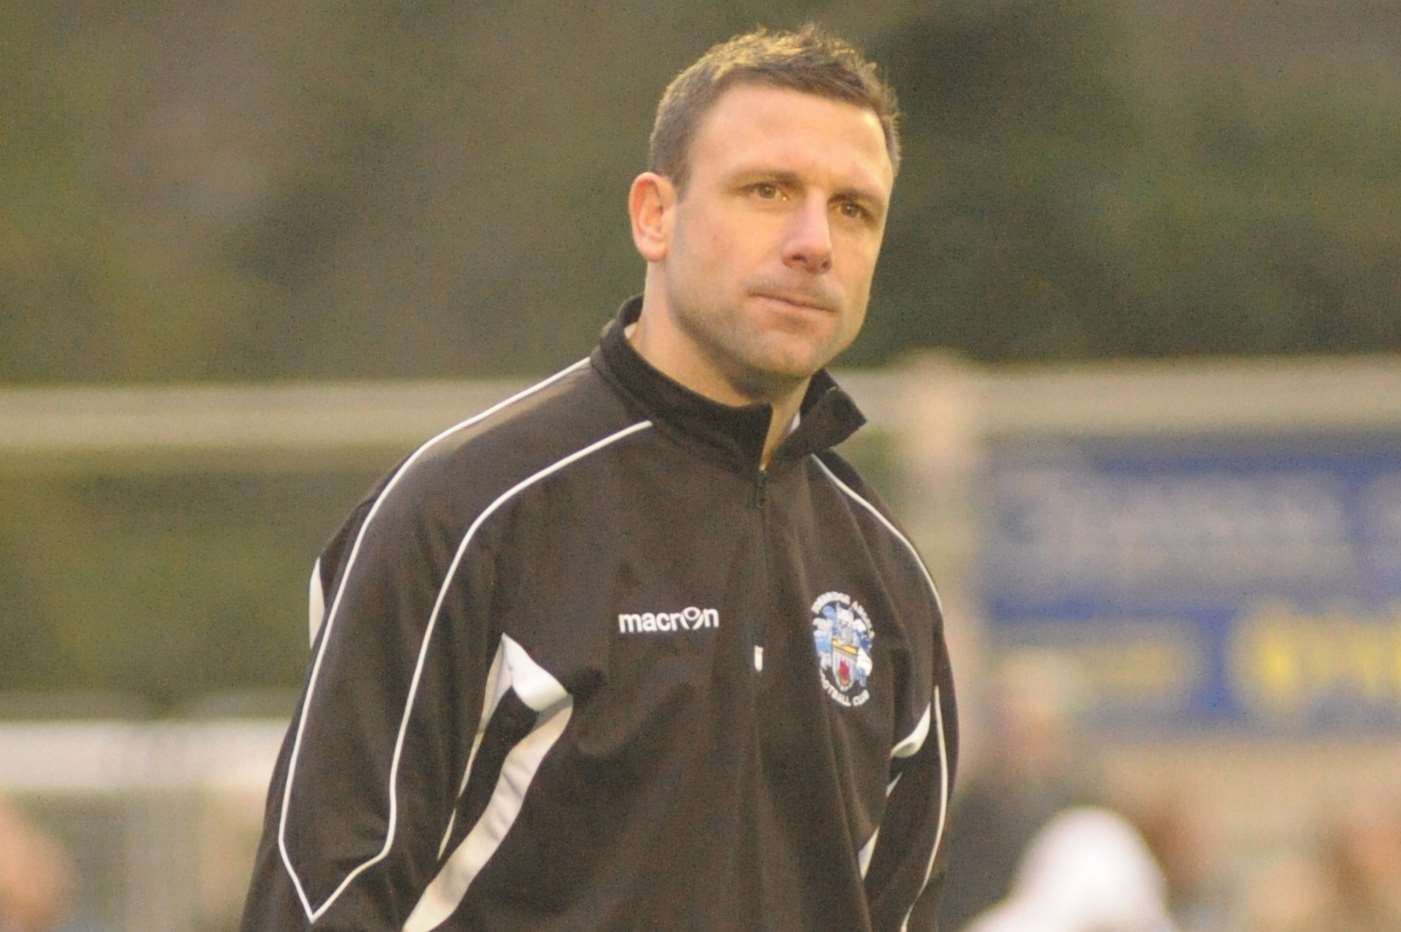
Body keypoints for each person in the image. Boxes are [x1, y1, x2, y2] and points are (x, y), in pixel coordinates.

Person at [241, 24, 958, 931]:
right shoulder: (464, 513)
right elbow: (321, 895)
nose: (813, 242)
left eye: (852, 209)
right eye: (767, 191)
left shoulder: (887, 574)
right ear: (654, 215)